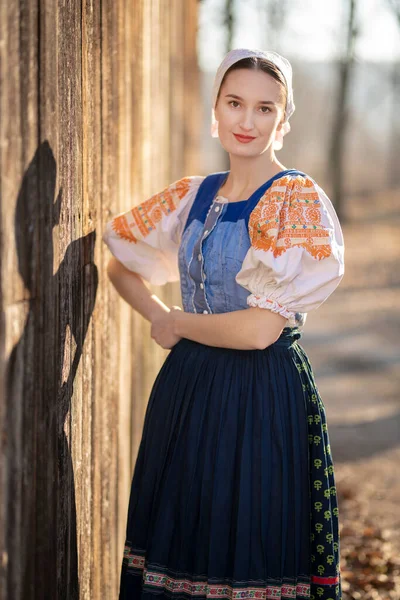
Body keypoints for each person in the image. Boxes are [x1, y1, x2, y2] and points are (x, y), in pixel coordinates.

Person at [102, 48, 345, 600]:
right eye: (235, 103)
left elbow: (261, 331)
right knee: (184, 537)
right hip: (187, 394)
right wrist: (158, 316)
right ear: (216, 110)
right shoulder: (192, 195)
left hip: (262, 393)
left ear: (282, 123)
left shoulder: (294, 199)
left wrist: (177, 323)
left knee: (251, 541)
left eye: (265, 108)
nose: (247, 120)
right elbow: (120, 264)